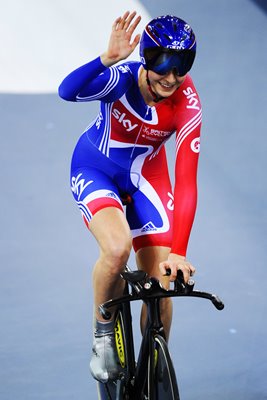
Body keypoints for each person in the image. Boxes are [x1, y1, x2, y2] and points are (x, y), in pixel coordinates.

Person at [58, 11, 201, 383]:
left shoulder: (187, 101)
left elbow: (187, 182)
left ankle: (155, 366)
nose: (171, 78)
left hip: (146, 179)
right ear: (146, 58)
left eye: (181, 67)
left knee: (161, 283)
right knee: (118, 248)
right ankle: (103, 332)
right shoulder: (122, 80)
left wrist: (180, 251)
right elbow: (67, 90)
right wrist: (106, 59)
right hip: (96, 169)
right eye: (163, 66)